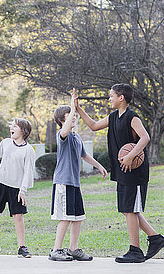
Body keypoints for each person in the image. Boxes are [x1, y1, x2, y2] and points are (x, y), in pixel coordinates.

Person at [75, 84, 164, 263]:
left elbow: (145, 137)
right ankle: (155, 238)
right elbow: (93, 126)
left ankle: (136, 251)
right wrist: (78, 109)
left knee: (130, 210)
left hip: (135, 171)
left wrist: (131, 156)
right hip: (123, 170)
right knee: (128, 210)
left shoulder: (132, 117)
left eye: (111, 96)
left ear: (121, 97)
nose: (109, 99)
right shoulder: (112, 117)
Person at [49, 90, 108, 262]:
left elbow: (84, 155)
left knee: (78, 217)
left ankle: (73, 249)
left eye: (73, 115)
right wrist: (73, 107)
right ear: (62, 120)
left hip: (74, 183)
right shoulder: (62, 135)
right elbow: (65, 130)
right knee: (66, 218)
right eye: (69, 116)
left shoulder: (76, 137)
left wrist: (99, 166)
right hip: (63, 182)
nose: (73, 118)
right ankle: (56, 250)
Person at [0, 118, 37, 258]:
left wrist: (23, 191)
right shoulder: (6, 142)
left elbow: (28, 172)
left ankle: (22, 247)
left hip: (16, 188)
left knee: (18, 216)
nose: (11, 128)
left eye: (15, 126)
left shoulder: (29, 150)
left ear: (23, 131)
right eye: (11, 126)